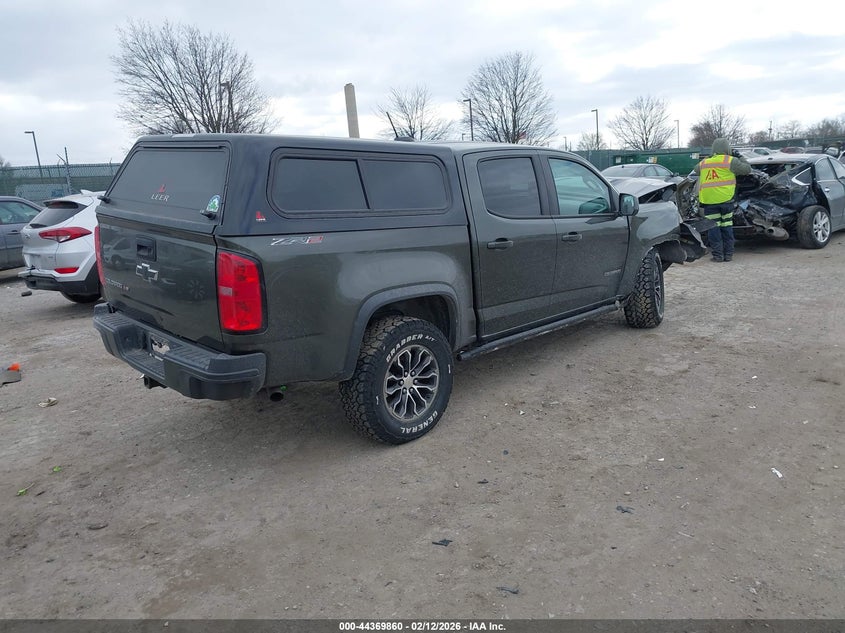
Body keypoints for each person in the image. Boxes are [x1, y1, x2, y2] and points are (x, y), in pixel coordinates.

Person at [694, 138, 751, 262]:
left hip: (710, 202)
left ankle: (718, 256)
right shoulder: (731, 161)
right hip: (726, 200)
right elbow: (747, 169)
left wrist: (710, 156)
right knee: (727, 227)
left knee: (714, 229)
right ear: (728, 149)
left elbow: (695, 169)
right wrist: (739, 156)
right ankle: (729, 255)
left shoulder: (704, 163)